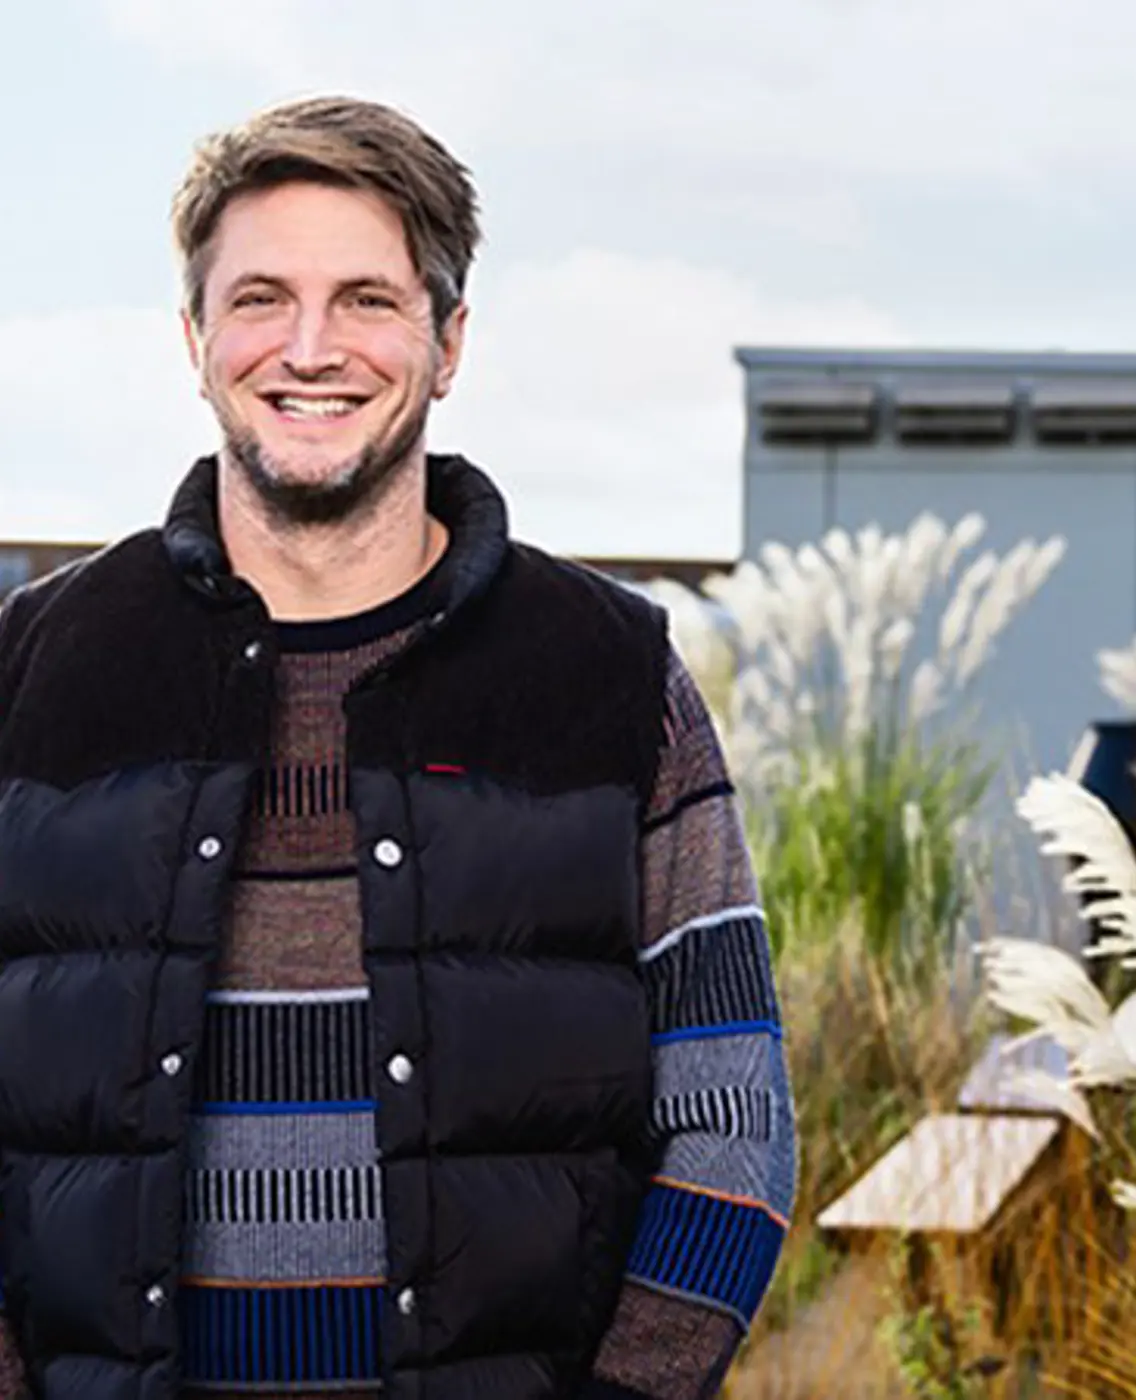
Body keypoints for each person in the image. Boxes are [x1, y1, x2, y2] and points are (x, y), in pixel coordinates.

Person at [0, 96, 794, 1400]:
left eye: (366, 299)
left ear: (449, 339)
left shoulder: (611, 678)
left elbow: (732, 1133)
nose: (311, 348)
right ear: (195, 340)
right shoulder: (32, 675)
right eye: (261, 299)